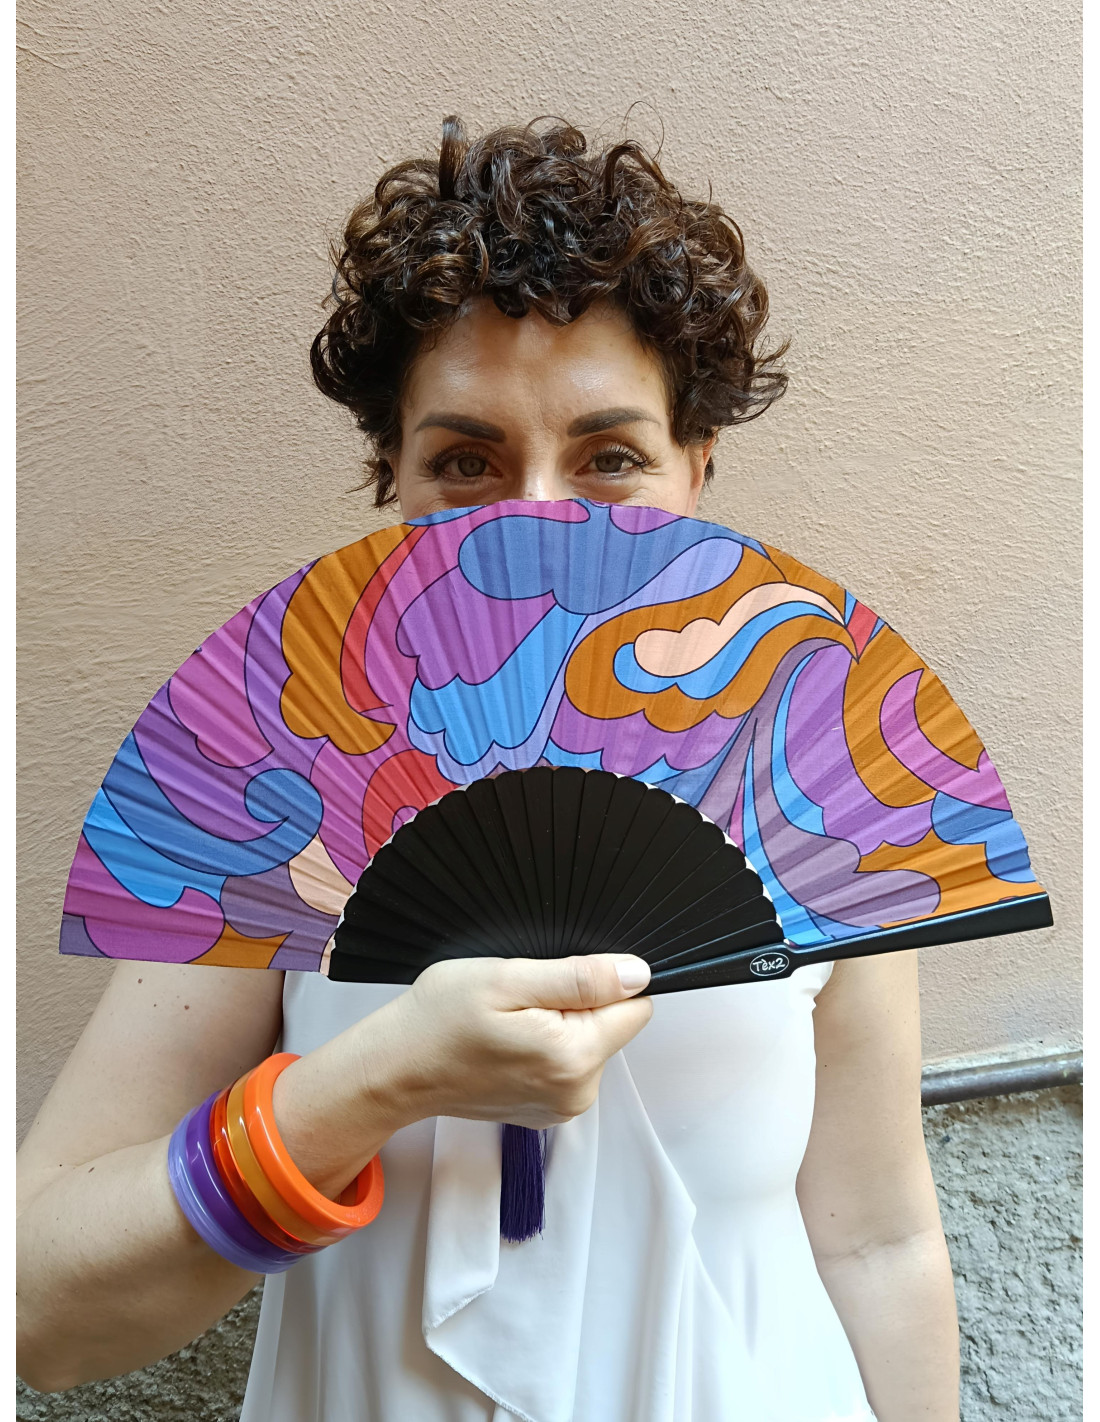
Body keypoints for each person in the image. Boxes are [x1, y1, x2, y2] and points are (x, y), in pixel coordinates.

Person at [16, 116, 960, 1420]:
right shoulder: (279, 783)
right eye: (466, 462)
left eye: (610, 459)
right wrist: (371, 1085)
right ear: (391, 479)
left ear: (697, 468)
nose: (535, 522)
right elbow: (39, 1312)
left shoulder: (811, 781)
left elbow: (880, 1240)